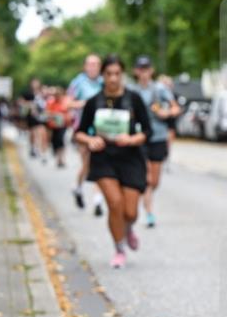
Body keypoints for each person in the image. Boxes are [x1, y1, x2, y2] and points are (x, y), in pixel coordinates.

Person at [74, 55, 152, 269]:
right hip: (104, 158)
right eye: (109, 74)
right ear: (103, 76)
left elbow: (147, 131)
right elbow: (79, 133)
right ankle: (119, 249)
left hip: (130, 158)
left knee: (130, 212)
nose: (113, 78)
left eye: (117, 74)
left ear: (122, 74)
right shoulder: (94, 102)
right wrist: (90, 140)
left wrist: (131, 139)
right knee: (115, 204)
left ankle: (128, 228)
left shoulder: (134, 99)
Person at [131, 55, 179, 228]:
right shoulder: (132, 90)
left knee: (154, 181)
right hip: (140, 136)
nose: (144, 73)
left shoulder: (160, 89)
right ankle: (149, 212)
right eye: (140, 69)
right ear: (136, 71)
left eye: (146, 69)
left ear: (151, 70)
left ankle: (145, 200)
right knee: (147, 177)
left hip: (158, 136)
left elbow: (175, 108)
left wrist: (166, 113)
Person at [67, 54, 104, 212]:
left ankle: (97, 200)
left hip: (101, 128)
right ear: (85, 66)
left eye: (96, 64)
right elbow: (68, 103)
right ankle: (78, 187)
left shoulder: (104, 82)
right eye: (90, 64)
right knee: (87, 164)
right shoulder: (78, 82)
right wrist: (86, 104)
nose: (93, 67)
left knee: (99, 163)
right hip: (83, 128)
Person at [21, 78, 48, 162]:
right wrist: (30, 105)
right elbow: (22, 102)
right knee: (33, 132)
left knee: (42, 132)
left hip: (42, 116)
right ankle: (33, 147)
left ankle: (42, 151)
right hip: (32, 116)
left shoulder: (42, 92)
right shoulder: (28, 93)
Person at [45, 86, 72, 168]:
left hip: (63, 125)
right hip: (53, 126)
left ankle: (61, 159)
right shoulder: (51, 103)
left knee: (61, 141)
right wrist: (54, 115)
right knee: (55, 142)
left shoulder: (65, 102)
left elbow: (69, 112)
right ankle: (58, 158)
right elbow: (47, 113)